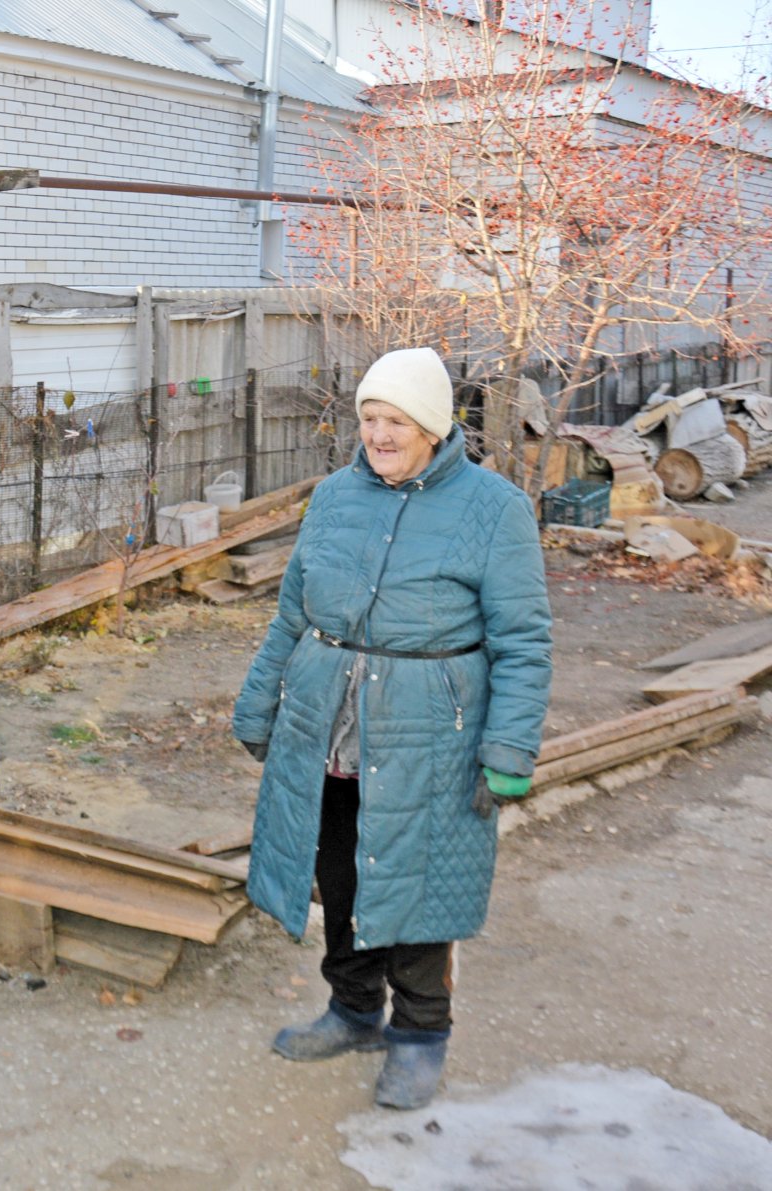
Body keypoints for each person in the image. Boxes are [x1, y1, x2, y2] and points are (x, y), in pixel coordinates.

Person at [231, 347, 552, 1110]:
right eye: (370, 419)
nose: (378, 434)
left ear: (434, 427)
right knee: (339, 877)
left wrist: (508, 746)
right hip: (329, 723)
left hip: (428, 730)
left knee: (413, 887)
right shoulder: (336, 497)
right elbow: (291, 615)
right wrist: (257, 703)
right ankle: (351, 1010)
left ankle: (418, 1036)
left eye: (395, 421)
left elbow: (524, 638)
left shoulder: (494, 508)